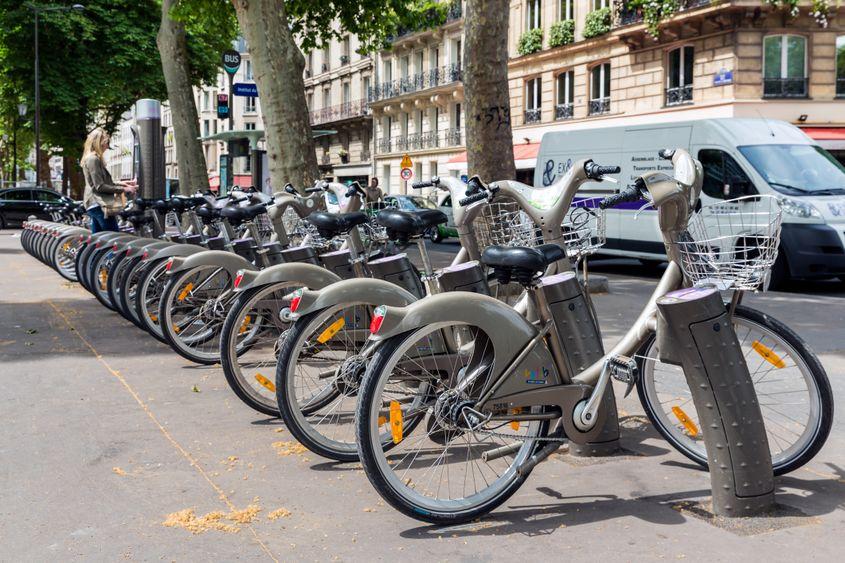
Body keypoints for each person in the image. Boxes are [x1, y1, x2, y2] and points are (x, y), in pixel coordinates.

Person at [81, 128, 136, 233]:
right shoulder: (93, 159)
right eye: (106, 143)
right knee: (113, 237)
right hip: (99, 204)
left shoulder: (92, 158)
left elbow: (99, 182)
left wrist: (122, 183)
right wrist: (124, 189)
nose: (107, 146)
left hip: (94, 204)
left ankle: (84, 250)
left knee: (98, 240)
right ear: (99, 143)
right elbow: (99, 186)